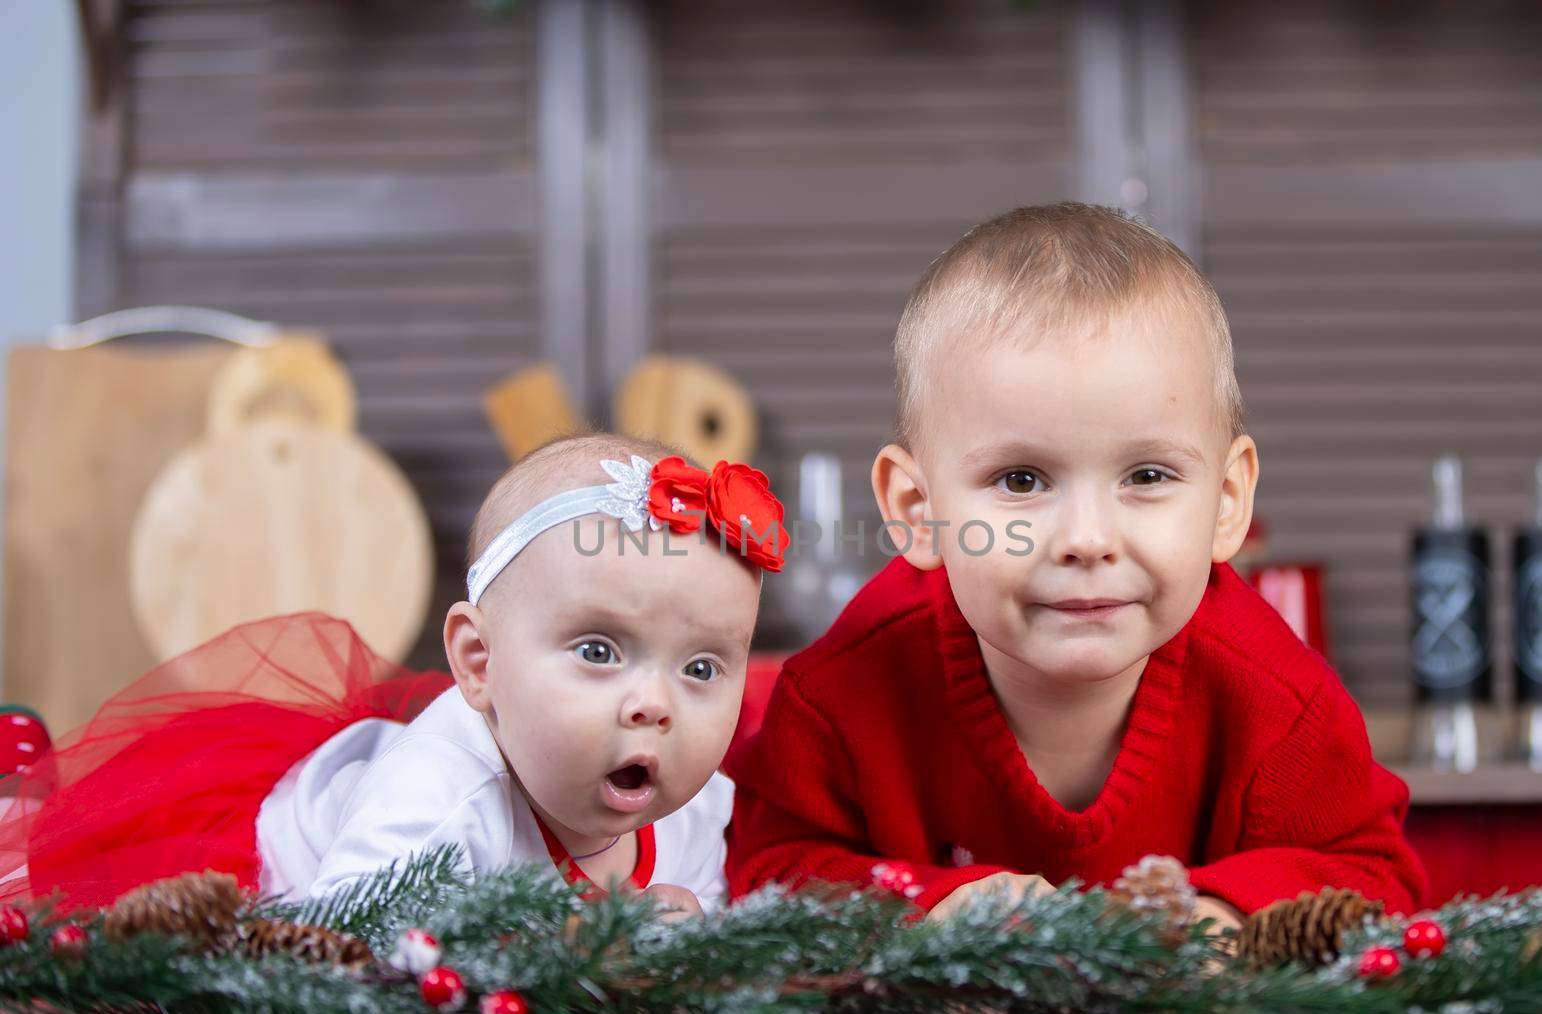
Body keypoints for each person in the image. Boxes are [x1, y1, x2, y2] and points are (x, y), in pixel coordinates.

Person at [724, 203, 1426, 930]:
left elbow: (1375, 876)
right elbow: (766, 872)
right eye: (1022, 480)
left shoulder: (1277, 702)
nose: (1088, 539)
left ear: (1226, 501)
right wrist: (936, 909)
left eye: (1148, 476)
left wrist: (1227, 918)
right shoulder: (846, 688)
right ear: (917, 509)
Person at [3, 431, 788, 919]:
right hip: (277, 865)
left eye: (699, 667)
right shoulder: (441, 800)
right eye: (597, 651)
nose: (653, 704)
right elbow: (344, 945)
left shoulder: (699, 804)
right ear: (480, 663)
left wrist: (682, 923)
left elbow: (702, 904)